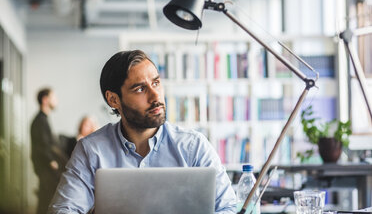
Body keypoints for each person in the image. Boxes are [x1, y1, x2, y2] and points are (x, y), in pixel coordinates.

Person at [48, 50, 236, 213]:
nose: (156, 96)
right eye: (140, 89)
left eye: (156, 83)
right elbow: (63, 209)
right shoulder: (91, 150)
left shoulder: (194, 146)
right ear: (113, 100)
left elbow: (227, 208)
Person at [31, 88, 64, 214]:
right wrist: (52, 162)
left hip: (46, 167)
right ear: (45, 100)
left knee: (46, 201)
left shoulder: (42, 119)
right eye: (53, 97)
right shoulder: (40, 120)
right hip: (46, 168)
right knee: (46, 202)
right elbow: (42, 146)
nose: (56, 101)